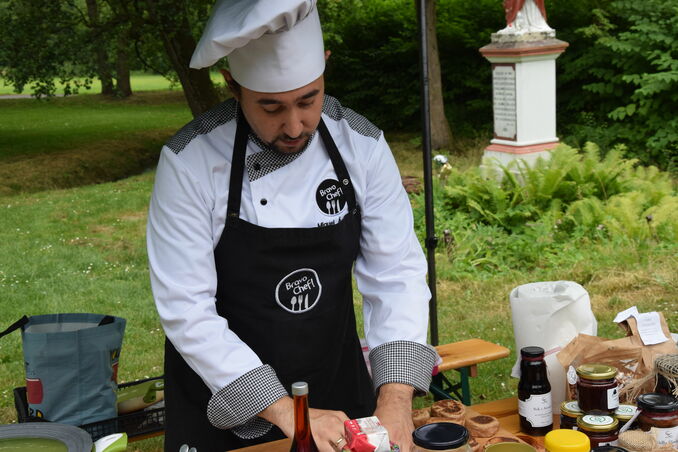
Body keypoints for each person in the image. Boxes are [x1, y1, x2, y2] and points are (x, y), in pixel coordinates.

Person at [146, 1, 436, 451]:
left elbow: (395, 275)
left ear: (324, 68)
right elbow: (187, 308)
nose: (295, 125)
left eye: (309, 99)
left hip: (336, 381)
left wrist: (396, 400)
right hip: (225, 392)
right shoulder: (190, 162)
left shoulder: (361, 145)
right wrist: (288, 411)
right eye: (271, 107)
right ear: (232, 85)